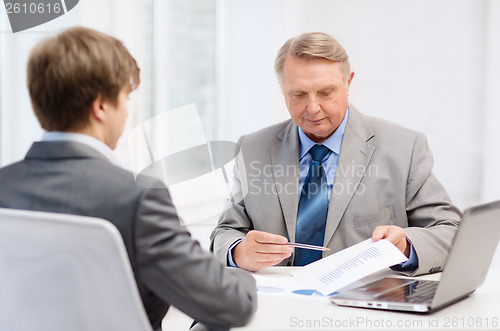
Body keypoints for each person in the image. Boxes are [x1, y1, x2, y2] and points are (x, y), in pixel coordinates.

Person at [0, 26, 256, 331]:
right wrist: (243, 275)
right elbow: (230, 305)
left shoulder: (5, 186)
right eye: (124, 98)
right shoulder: (137, 198)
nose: (126, 114)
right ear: (101, 107)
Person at [210, 32, 461, 276]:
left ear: (348, 83)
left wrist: (406, 244)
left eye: (326, 92)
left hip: (362, 308)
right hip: (274, 304)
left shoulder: (405, 148)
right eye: (298, 94)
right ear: (283, 90)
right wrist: (239, 251)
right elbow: (225, 231)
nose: (312, 108)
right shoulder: (253, 148)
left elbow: (452, 232)